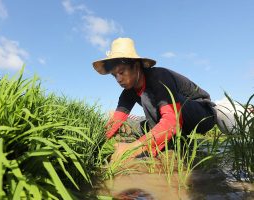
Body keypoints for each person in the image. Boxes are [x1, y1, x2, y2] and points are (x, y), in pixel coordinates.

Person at [91, 37, 230, 161]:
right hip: (178, 118)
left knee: (148, 98)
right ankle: (180, 142)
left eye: (121, 72)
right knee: (142, 126)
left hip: (203, 114)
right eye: (114, 75)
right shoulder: (128, 92)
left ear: (137, 66)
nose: (119, 79)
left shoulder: (159, 77)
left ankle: (171, 146)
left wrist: (133, 148)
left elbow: (171, 120)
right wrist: (95, 143)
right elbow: (116, 121)